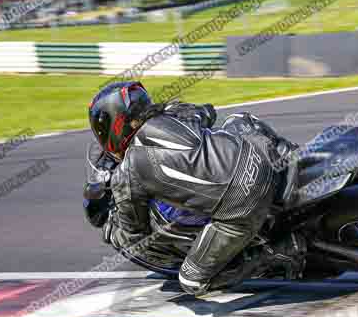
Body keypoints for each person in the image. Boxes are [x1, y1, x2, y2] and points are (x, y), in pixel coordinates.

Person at [86, 81, 305, 296]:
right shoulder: (174, 113)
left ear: (115, 123)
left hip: (243, 203)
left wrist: (113, 233)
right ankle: (294, 156)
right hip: (261, 159)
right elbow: (207, 112)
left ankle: (278, 253)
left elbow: (136, 234)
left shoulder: (127, 170)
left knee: (191, 280)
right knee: (237, 121)